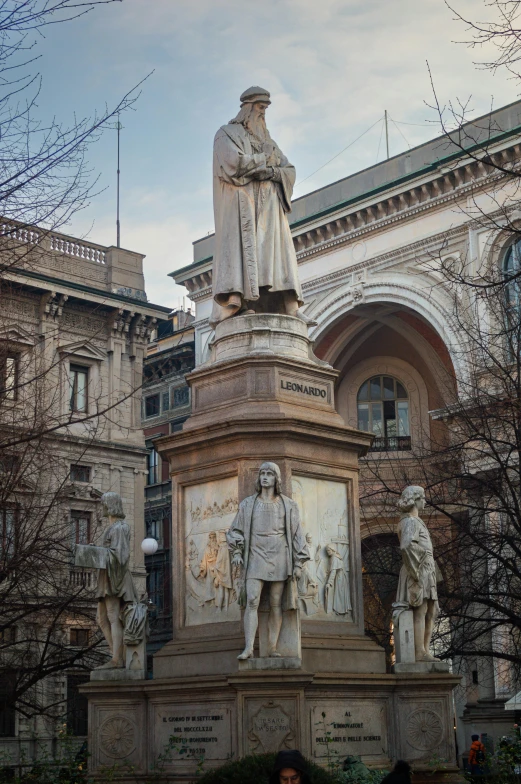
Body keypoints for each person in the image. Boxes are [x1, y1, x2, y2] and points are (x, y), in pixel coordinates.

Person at [210, 86, 306, 328]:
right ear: (247, 108)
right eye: (260, 108)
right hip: (241, 211)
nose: (263, 114)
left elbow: (289, 170)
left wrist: (272, 171)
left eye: (265, 109)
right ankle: (237, 303)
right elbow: (234, 165)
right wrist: (263, 161)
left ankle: (289, 306)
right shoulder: (226, 134)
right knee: (243, 256)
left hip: (270, 213)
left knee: (276, 259)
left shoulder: (269, 141)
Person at [226, 461, 309, 659]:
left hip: (280, 555)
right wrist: (237, 552)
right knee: (252, 600)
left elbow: (298, 534)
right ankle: (248, 648)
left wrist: (298, 563)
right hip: (255, 555)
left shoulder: (288, 506)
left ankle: (271, 647)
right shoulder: (248, 504)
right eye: (262, 473)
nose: (265, 477)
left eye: (269, 474)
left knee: (275, 603)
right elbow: (235, 530)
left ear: (276, 479)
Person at [395, 485, 440, 662]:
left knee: (430, 612)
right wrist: (420, 564)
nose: (425, 501)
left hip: (426, 569)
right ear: (415, 500)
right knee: (420, 610)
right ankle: (419, 652)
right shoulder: (410, 522)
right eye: (422, 498)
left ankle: (425, 651)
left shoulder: (415, 521)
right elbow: (407, 545)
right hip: (419, 568)